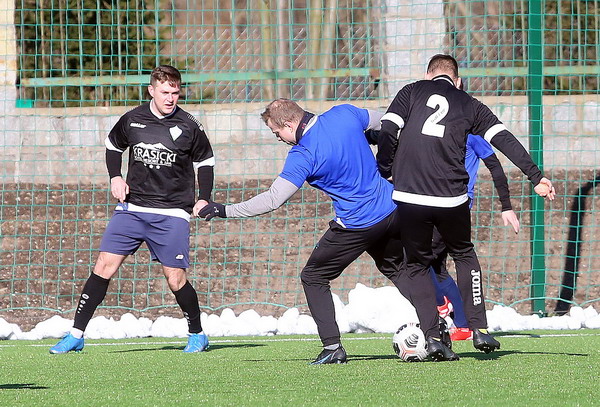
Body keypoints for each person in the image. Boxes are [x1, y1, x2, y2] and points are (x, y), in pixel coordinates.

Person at [198, 98, 410, 364]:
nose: (279, 138)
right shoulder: (344, 114)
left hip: (356, 224)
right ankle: (436, 332)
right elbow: (390, 122)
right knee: (402, 269)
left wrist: (224, 210)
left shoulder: (303, 154)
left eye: (277, 132)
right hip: (392, 210)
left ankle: (332, 347)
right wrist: (384, 149)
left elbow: (273, 199)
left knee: (313, 276)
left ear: (289, 125)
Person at [377, 54, 555, 361]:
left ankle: (432, 337)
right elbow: (504, 140)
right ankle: (479, 328)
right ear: (457, 81)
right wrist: (536, 176)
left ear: (428, 75)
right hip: (451, 199)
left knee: (416, 265)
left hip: (411, 197)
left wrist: (386, 167)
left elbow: (388, 129)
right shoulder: (470, 104)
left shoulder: (411, 91)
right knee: (464, 255)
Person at [50, 65, 215, 354]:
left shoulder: (190, 125)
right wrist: (115, 177)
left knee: (175, 278)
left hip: (172, 212)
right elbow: (113, 146)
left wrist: (204, 198)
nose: (170, 98)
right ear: (151, 90)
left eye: (175, 93)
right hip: (132, 208)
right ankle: (76, 335)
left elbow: (206, 162)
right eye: (164, 92)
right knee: (103, 265)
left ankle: (197, 334)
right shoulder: (132, 119)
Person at [431, 134, 520, 341]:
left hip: (456, 205)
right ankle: (462, 325)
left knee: (418, 258)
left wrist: (506, 206)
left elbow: (495, 166)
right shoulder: (442, 129)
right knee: (436, 266)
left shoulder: (472, 134)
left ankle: (441, 304)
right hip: (435, 202)